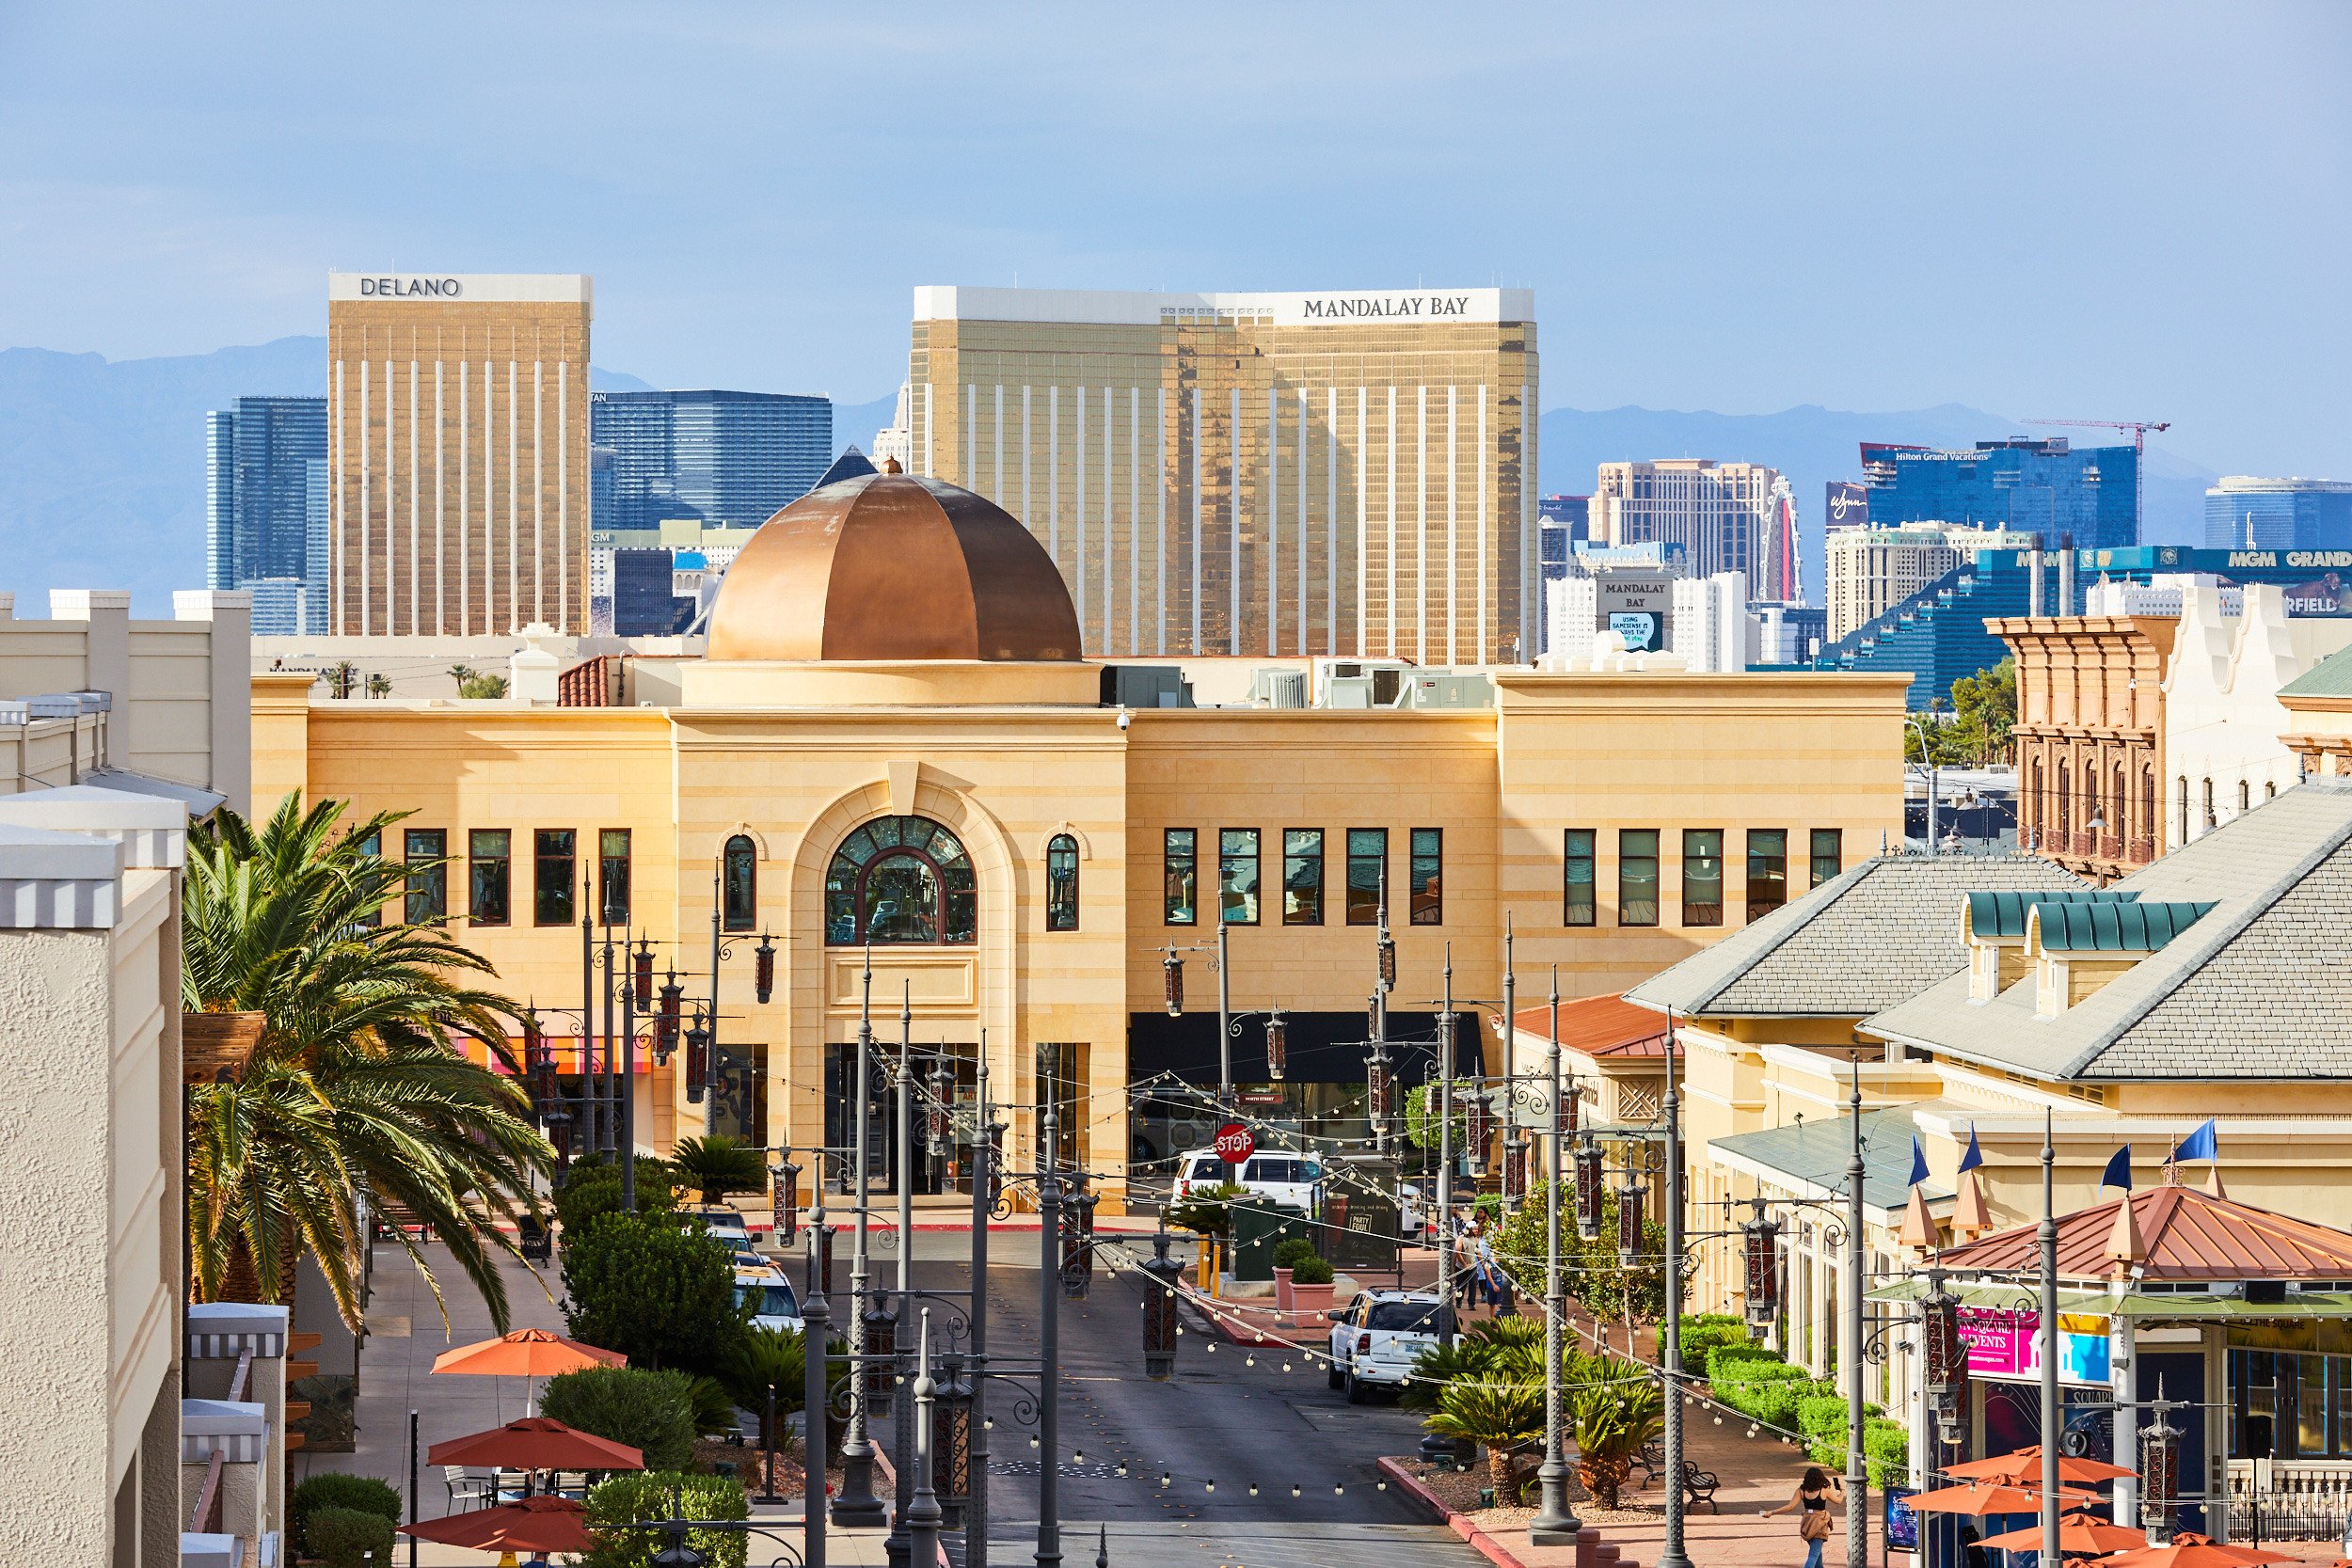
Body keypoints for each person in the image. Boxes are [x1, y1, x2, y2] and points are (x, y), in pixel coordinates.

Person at [1763, 1465, 1842, 1568]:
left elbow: (1790, 1506)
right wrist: (1842, 1492)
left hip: (1807, 1525)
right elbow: (1839, 1501)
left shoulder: (1801, 1490)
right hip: (1819, 1525)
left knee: (1818, 1557)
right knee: (1813, 1556)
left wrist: (1772, 1512)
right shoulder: (1824, 1490)